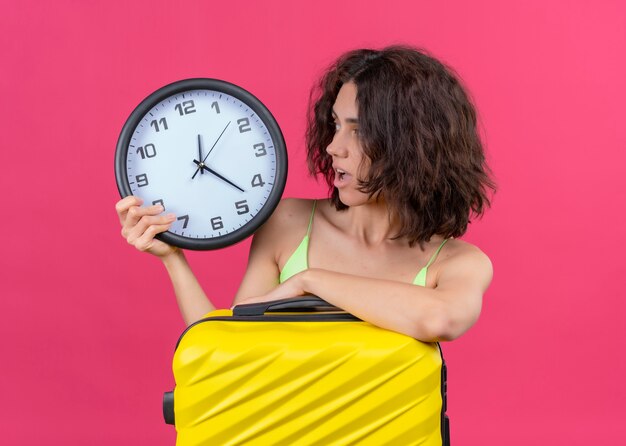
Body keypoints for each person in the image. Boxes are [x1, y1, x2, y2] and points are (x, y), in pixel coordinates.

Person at [115, 46, 496, 342]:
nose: (333, 147)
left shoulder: (459, 263)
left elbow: (440, 318)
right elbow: (228, 348)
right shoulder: (289, 222)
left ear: (412, 144)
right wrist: (173, 259)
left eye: (358, 130)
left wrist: (308, 281)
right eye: (334, 125)